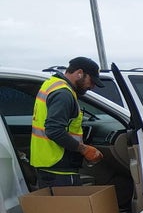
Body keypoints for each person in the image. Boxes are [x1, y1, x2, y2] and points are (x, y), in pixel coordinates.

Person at [30, 56, 105, 189]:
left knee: (55, 209)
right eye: (91, 81)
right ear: (79, 73)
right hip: (59, 168)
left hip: (48, 164)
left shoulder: (51, 84)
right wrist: (84, 149)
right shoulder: (63, 94)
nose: (92, 86)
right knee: (67, 209)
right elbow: (54, 130)